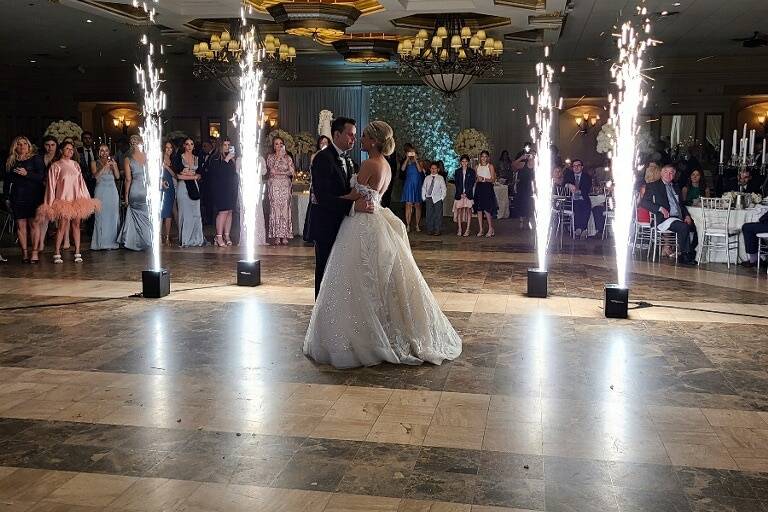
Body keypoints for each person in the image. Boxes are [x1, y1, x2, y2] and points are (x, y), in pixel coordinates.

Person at [303, 120, 461, 369]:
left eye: (363, 136)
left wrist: (320, 200)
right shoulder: (385, 164)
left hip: (361, 224)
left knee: (354, 278)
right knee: (376, 279)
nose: (360, 140)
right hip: (373, 220)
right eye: (355, 135)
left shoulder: (368, 164)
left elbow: (353, 196)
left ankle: (355, 333)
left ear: (374, 141)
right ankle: (380, 327)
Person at [307, 116, 367, 297]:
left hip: (342, 224)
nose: (353, 139)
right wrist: (353, 206)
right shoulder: (322, 159)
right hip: (325, 224)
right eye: (350, 135)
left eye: (355, 136)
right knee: (324, 269)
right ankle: (321, 312)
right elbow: (323, 197)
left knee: (339, 270)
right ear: (337, 134)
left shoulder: (348, 159)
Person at [37, 141, 99, 263]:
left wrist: (86, 199)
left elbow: (81, 183)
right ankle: (57, 252)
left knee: (76, 225)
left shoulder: (76, 165)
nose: (70, 151)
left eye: (72, 149)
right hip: (63, 201)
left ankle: (77, 251)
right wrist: (49, 203)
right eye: (67, 148)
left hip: (76, 200)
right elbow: (51, 186)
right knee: (62, 226)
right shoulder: (56, 166)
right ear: (61, 150)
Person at [641, 164, 698, 265]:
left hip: (677, 217)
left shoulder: (675, 186)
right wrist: (660, 208)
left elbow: (681, 204)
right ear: (661, 173)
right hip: (664, 218)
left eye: (671, 172)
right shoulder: (653, 186)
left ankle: (693, 252)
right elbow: (644, 202)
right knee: (683, 227)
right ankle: (685, 255)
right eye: (666, 172)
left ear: (674, 174)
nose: (668, 174)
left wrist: (687, 215)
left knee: (697, 226)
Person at [4, 136, 45, 263]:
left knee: (34, 224)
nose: (22, 146)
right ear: (15, 146)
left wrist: (27, 174)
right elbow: (7, 181)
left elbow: (42, 177)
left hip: (34, 195)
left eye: (25, 144)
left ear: (29, 146)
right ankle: (25, 253)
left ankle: (35, 253)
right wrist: (6, 197)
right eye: (19, 144)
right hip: (17, 196)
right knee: (20, 226)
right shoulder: (11, 160)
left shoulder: (36, 158)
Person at [119, 134, 152, 251]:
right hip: (147, 190)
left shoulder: (127, 159)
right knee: (147, 217)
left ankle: (134, 242)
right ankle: (147, 241)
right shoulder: (148, 156)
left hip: (135, 190)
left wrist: (126, 197)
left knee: (134, 217)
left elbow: (128, 179)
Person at [174, 138, 205, 247]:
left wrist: (193, 176)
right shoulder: (179, 157)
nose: (189, 146)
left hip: (194, 187)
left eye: (191, 144)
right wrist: (192, 176)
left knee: (196, 214)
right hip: (183, 186)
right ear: (184, 146)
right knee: (185, 213)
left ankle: (197, 239)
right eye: (187, 144)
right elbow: (178, 175)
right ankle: (185, 240)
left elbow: (199, 175)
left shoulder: (197, 158)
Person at [90, 144, 120, 250]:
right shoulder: (94, 163)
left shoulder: (112, 162)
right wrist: (104, 167)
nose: (104, 153)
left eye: (106, 150)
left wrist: (114, 166)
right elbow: (96, 177)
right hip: (100, 191)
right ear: (98, 152)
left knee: (113, 216)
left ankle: (111, 242)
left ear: (109, 152)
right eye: (101, 150)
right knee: (100, 216)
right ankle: (100, 243)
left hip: (112, 191)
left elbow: (117, 176)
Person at [208, 138, 238, 247]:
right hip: (220, 189)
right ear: (220, 146)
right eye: (225, 145)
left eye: (229, 145)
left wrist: (232, 160)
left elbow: (233, 173)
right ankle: (219, 236)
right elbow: (217, 173)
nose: (227, 147)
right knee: (223, 212)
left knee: (230, 212)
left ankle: (227, 235)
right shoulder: (215, 158)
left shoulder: (230, 158)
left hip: (230, 188)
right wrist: (226, 160)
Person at [265, 136, 295, 245]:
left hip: (285, 185)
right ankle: (277, 235)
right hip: (274, 185)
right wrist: (278, 158)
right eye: (276, 144)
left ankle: (285, 234)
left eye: (281, 143)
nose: (279, 146)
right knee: (276, 209)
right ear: (273, 146)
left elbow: (292, 172)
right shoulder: (271, 157)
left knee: (285, 209)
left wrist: (284, 160)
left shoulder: (288, 158)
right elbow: (272, 170)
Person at [303, 135, 331, 241]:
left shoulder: (331, 156)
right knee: (313, 209)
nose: (324, 145)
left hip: (327, 187)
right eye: (322, 143)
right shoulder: (315, 155)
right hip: (315, 186)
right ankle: (311, 234)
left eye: (326, 143)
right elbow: (313, 170)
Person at [37, 135, 59, 253]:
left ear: (56, 146)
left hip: (56, 190)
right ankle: (41, 242)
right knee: (43, 216)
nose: (50, 148)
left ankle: (62, 242)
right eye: (47, 145)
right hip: (40, 189)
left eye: (52, 145)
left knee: (59, 216)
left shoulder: (59, 158)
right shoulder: (39, 158)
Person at [563, 159, 593, 239]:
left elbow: (587, 188)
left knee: (586, 206)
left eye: (578, 165)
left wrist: (578, 191)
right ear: (572, 168)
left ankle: (581, 228)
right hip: (571, 199)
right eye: (574, 166)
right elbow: (563, 184)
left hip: (582, 198)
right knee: (576, 205)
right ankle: (581, 229)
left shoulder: (587, 176)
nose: (576, 167)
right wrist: (569, 185)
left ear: (582, 167)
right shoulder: (569, 175)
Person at [399, 143, 425, 232]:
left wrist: (416, 160)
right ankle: (408, 225)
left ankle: (417, 225)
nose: (412, 154)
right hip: (409, 185)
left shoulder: (420, 161)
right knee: (408, 205)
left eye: (413, 153)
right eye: (410, 153)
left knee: (418, 205)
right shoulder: (407, 162)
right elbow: (402, 169)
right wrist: (407, 159)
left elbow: (420, 170)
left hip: (417, 185)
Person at [474, 150, 498, 237]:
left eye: (485, 156)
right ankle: (481, 229)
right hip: (479, 188)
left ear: (488, 158)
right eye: (482, 156)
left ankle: (490, 228)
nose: (483, 158)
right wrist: (477, 180)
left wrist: (484, 179)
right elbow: (476, 179)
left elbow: (493, 179)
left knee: (487, 209)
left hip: (487, 188)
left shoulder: (490, 166)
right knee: (479, 209)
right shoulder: (477, 167)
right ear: (480, 157)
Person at [512, 144, 535, 227]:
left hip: (531, 187)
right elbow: (513, 165)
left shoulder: (538, 165)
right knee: (521, 202)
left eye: (533, 154)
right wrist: (521, 158)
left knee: (530, 203)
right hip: (522, 186)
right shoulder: (523, 164)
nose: (531, 156)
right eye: (529, 154)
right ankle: (521, 220)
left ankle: (530, 220)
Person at [422, 161, 447, 236]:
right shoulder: (427, 178)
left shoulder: (440, 178)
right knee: (429, 214)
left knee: (438, 215)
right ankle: (430, 229)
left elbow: (444, 188)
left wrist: (442, 198)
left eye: (435, 168)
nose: (433, 170)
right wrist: (424, 197)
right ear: (430, 169)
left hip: (437, 198)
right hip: (429, 198)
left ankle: (437, 230)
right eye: (432, 168)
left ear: (438, 169)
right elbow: (424, 187)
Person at [453, 155, 476, 237]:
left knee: (468, 211)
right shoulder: (457, 171)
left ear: (468, 162)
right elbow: (457, 183)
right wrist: (461, 193)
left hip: (468, 194)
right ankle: (459, 228)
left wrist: (466, 192)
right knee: (459, 211)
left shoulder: (472, 171)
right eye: (463, 161)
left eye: (466, 161)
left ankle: (467, 229)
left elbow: (472, 183)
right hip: (460, 194)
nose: (464, 163)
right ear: (460, 162)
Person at [161, 141, 177, 245]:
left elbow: (175, 175)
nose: (169, 149)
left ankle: (167, 237)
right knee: (161, 213)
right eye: (167, 147)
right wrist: (161, 182)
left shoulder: (173, 159)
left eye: (170, 147)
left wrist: (167, 167)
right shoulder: (159, 158)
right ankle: (158, 237)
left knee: (168, 213)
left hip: (170, 186)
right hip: (161, 187)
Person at [198, 139, 216, 226]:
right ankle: (207, 218)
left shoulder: (214, 155)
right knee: (206, 201)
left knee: (209, 202)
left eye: (205, 146)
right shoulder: (203, 155)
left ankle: (210, 219)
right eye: (203, 146)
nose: (203, 148)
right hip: (204, 182)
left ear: (210, 145)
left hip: (210, 182)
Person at [80, 131, 97, 198]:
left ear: (92, 139)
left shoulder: (96, 151)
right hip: (83, 179)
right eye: (85, 138)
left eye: (89, 138)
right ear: (82, 139)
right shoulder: (78, 151)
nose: (87, 140)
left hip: (95, 179)